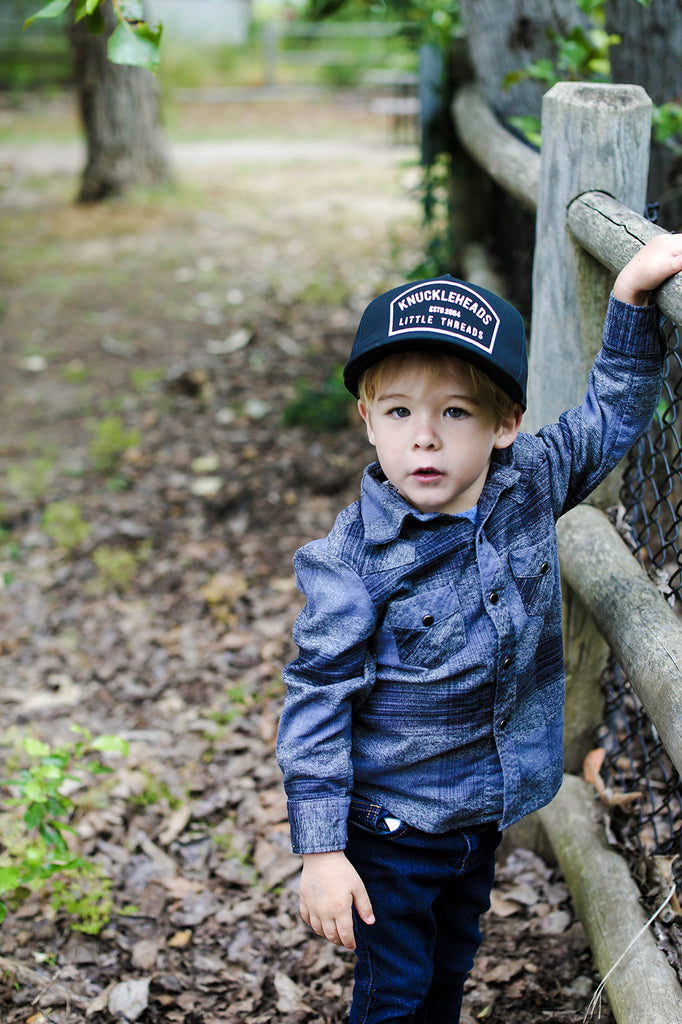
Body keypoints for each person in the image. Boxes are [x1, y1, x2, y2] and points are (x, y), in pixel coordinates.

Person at [276, 234, 682, 1024]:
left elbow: (609, 416)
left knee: (450, 968)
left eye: (454, 412)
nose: (422, 437)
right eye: (399, 412)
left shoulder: (528, 484)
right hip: (389, 829)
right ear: (367, 421)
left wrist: (632, 299)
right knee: (393, 992)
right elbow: (316, 700)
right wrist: (323, 852)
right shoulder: (350, 562)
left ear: (504, 424)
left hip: (480, 815)